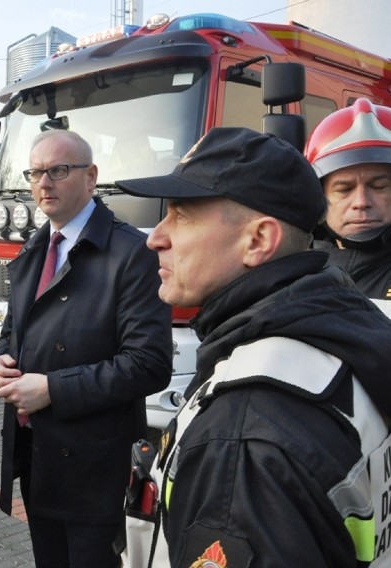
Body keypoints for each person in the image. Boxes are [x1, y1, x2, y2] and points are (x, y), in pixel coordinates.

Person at [115, 127, 391, 567]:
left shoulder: (242, 437)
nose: (155, 236)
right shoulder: (342, 335)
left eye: (182, 215)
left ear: (259, 240)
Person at [0, 129, 172, 567]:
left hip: (95, 471)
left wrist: (53, 388)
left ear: (91, 177)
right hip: (37, 461)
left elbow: (149, 364)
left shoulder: (130, 253)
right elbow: (13, 334)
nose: (43, 183)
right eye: (35, 173)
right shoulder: (33, 250)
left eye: (58, 170)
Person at [305, 97, 391, 299]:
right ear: (319, 196)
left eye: (378, 187)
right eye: (344, 189)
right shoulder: (289, 274)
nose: (361, 202)